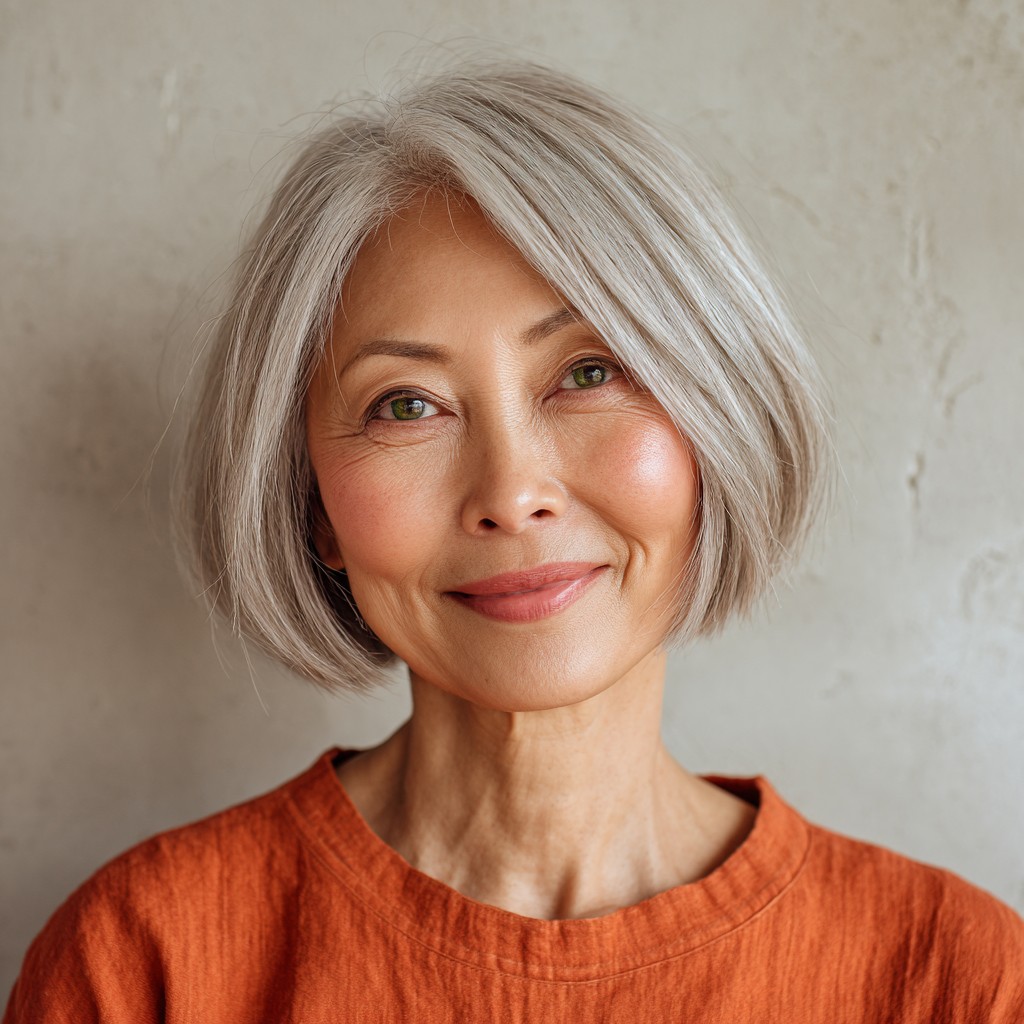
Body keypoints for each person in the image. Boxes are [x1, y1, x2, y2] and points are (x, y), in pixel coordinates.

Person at [5, 51, 1023, 1022]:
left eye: (589, 372)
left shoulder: (956, 980)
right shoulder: (142, 966)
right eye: (405, 404)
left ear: (715, 421)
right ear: (309, 500)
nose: (512, 492)